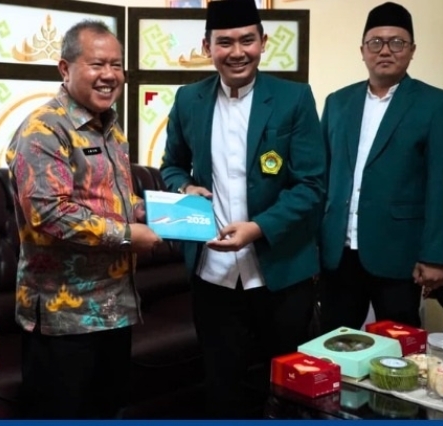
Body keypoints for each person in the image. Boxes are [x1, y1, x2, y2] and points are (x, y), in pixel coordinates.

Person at [159, 0, 326, 418]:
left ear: (263, 42)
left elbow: (311, 184)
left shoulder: (294, 98)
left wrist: (258, 228)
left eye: (247, 40)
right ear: (207, 47)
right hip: (212, 273)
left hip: (281, 271)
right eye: (225, 42)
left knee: (286, 387)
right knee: (221, 385)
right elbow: (171, 165)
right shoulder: (188, 99)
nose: (237, 52)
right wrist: (184, 186)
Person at [6, 20, 161, 419]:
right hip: (65, 318)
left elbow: (113, 200)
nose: (110, 75)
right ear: (65, 68)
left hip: (115, 307)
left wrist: (158, 212)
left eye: (116, 65)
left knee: (108, 411)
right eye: (97, 64)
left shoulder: (111, 127)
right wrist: (127, 234)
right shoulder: (44, 129)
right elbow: (49, 212)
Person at [318, 2, 443, 331]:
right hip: (338, 253)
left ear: (412, 50)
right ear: (363, 51)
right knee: (332, 344)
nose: (385, 50)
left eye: (396, 42)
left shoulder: (435, 104)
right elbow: (321, 176)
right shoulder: (338, 102)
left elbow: (441, 185)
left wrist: (434, 256)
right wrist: (313, 245)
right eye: (376, 42)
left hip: (398, 252)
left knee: (399, 347)